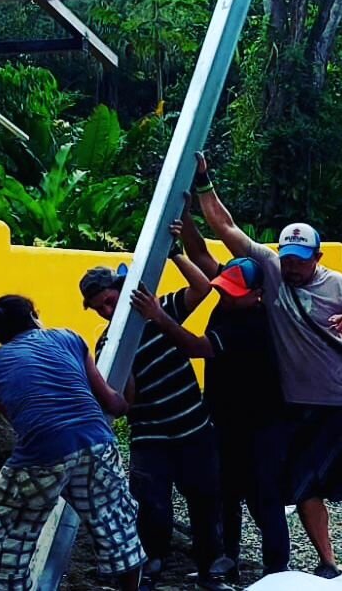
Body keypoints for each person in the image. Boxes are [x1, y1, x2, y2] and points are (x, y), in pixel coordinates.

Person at [192, 152, 342, 578]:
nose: (293, 265)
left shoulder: (338, 284)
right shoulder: (271, 271)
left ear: (317, 256)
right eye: (288, 256)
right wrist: (204, 181)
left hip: (335, 402)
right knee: (302, 485)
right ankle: (327, 561)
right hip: (293, 406)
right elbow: (225, 228)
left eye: (302, 258)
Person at [79, 240, 232, 591]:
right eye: (99, 307)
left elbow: (202, 288)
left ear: (122, 290)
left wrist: (174, 252)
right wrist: (124, 367)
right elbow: (126, 400)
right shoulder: (108, 345)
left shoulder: (161, 308)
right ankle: (151, 568)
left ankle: (211, 570)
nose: (105, 310)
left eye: (109, 300)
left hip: (192, 425)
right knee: (152, 506)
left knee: (206, 501)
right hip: (149, 435)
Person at [131, 255, 290, 578]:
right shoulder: (229, 307)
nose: (226, 295)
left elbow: (197, 347)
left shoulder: (251, 322)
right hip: (223, 419)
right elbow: (203, 268)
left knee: (263, 498)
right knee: (225, 495)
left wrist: (159, 317)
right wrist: (177, 246)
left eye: (235, 291)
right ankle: (225, 561)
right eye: (225, 289)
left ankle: (277, 569)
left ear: (257, 293)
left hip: (259, 423)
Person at [0, 294, 144, 591]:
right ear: (34, 316)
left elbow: (23, 423)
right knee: (116, 523)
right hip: (96, 441)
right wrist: (126, 392)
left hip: (44, 453)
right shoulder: (68, 339)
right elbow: (113, 403)